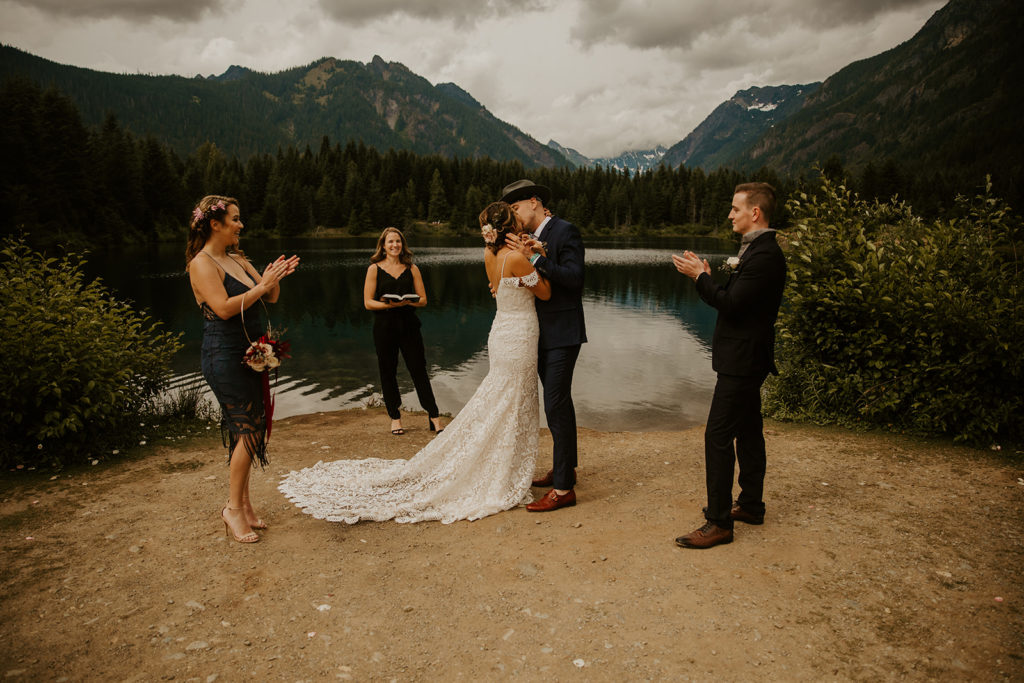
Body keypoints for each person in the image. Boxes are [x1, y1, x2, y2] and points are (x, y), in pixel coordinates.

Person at [279, 202, 551, 524]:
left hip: (501, 333)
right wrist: (538, 256)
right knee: (512, 399)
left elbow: (499, 287)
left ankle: (493, 458)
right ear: (509, 227)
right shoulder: (518, 257)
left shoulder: (489, 255)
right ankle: (502, 468)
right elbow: (545, 292)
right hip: (519, 332)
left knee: (501, 399)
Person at [671, 182, 786, 549]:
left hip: (743, 360)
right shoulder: (756, 251)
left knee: (717, 435)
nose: (730, 215)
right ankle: (751, 504)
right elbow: (735, 301)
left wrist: (699, 277)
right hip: (746, 357)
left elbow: (732, 306)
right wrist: (706, 278)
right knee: (749, 430)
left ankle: (718, 523)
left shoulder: (765, 255)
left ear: (755, 213)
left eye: (736, 209)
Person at [186, 195, 299, 543]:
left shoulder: (237, 258)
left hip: (252, 351)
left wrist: (271, 279)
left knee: (250, 428)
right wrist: (262, 286)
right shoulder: (201, 264)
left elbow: (271, 297)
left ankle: (245, 505)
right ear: (215, 225)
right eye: (235, 219)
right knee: (248, 429)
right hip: (223, 353)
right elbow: (221, 308)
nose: (241, 225)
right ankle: (232, 510)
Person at [500, 179, 586, 512]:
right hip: (537, 334)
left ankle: (564, 490)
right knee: (560, 405)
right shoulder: (531, 239)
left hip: (563, 333)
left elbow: (575, 280)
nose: (514, 216)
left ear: (534, 203)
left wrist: (533, 260)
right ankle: (566, 469)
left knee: (554, 404)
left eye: (516, 208)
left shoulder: (566, 231)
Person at [363, 227, 444, 436]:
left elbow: (424, 299)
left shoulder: (412, 268)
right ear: (383, 245)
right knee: (388, 372)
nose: (395, 245)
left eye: (398, 242)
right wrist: (389, 305)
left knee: (419, 370)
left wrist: (409, 302)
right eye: (390, 242)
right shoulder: (374, 269)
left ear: (402, 245)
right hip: (384, 327)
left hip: (409, 326)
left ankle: (433, 415)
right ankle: (395, 418)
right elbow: (368, 303)